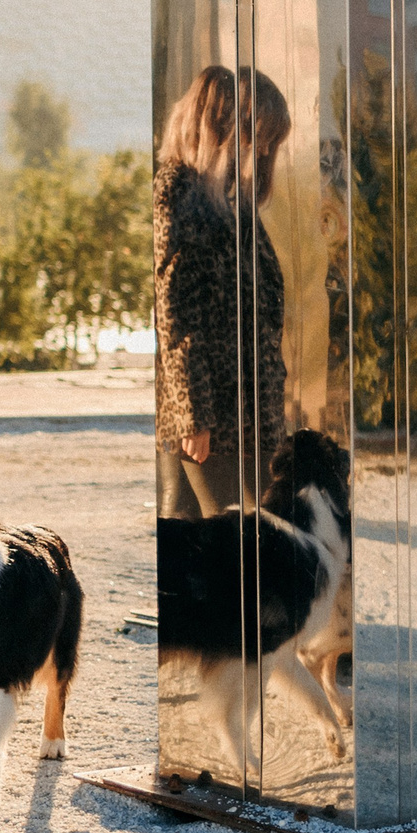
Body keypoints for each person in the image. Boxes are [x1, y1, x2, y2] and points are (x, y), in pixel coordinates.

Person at [154, 64, 290, 519]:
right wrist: (195, 415)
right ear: (224, 127)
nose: (266, 148)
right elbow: (175, 315)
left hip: (248, 418)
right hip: (215, 421)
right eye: (261, 134)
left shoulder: (232, 203)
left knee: (238, 551)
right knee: (226, 553)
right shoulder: (180, 191)